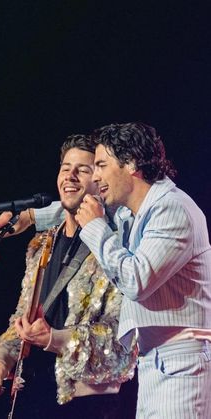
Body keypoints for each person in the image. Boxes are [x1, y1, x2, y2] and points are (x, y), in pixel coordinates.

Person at [0, 134, 137, 419]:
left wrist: (55, 339)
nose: (71, 176)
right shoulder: (42, 244)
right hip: (33, 398)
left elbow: (121, 342)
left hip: (89, 404)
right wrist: (1, 359)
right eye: (66, 167)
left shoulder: (115, 249)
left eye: (83, 169)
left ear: (101, 181)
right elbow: (22, 319)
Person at [71, 122, 211, 418]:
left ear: (131, 162)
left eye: (101, 165)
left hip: (182, 362)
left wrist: (96, 228)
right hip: (155, 362)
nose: (95, 177)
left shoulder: (171, 208)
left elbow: (136, 280)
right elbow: (72, 205)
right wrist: (32, 217)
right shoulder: (134, 215)